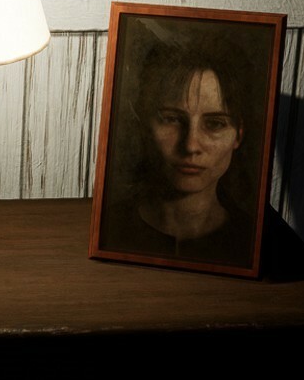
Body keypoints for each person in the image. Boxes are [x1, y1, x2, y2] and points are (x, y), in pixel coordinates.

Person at [101, 30, 259, 269]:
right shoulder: (109, 228)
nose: (190, 146)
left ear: (238, 134)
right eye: (172, 119)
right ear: (144, 125)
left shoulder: (252, 243)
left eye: (215, 124)